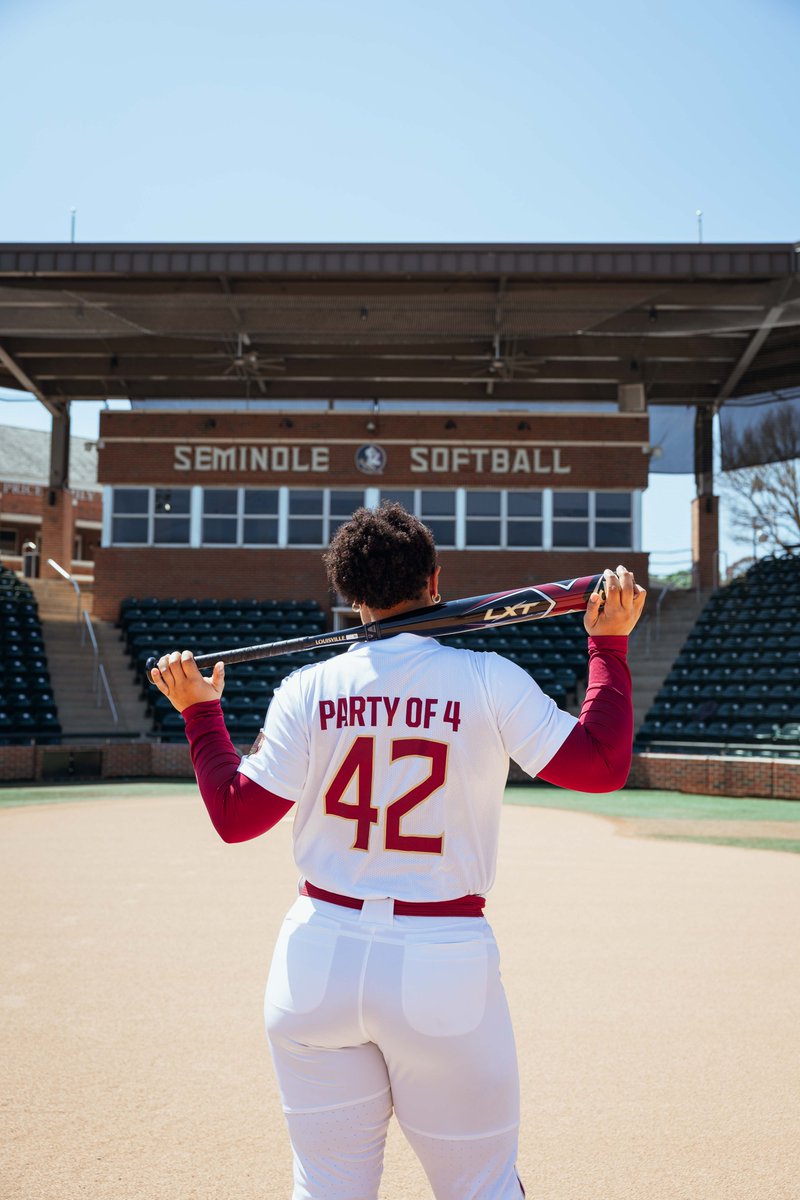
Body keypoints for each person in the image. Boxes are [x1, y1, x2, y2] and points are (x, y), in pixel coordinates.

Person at [151, 501, 646, 1200]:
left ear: (351, 597)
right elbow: (601, 766)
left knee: (327, 1189)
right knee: (482, 1188)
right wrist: (609, 644)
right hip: (441, 959)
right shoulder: (487, 678)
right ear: (435, 581)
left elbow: (236, 816)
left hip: (315, 959)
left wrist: (201, 712)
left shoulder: (306, 688)